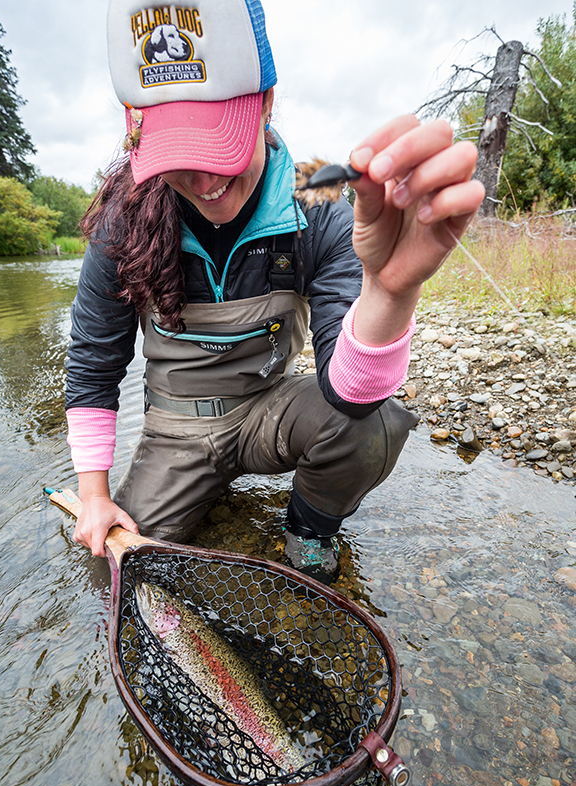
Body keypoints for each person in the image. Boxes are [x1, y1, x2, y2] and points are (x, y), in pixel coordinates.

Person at [66, 0, 485, 582]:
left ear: (263, 101)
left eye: (218, 143)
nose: (206, 181)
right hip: (176, 429)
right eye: (181, 155)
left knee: (376, 425)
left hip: (269, 409)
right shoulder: (122, 225)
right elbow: (93, 362)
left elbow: (351, 397)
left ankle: (308, 528)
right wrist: (93, 495)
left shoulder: (323, 221)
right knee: (120, 572)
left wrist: (392, 290)